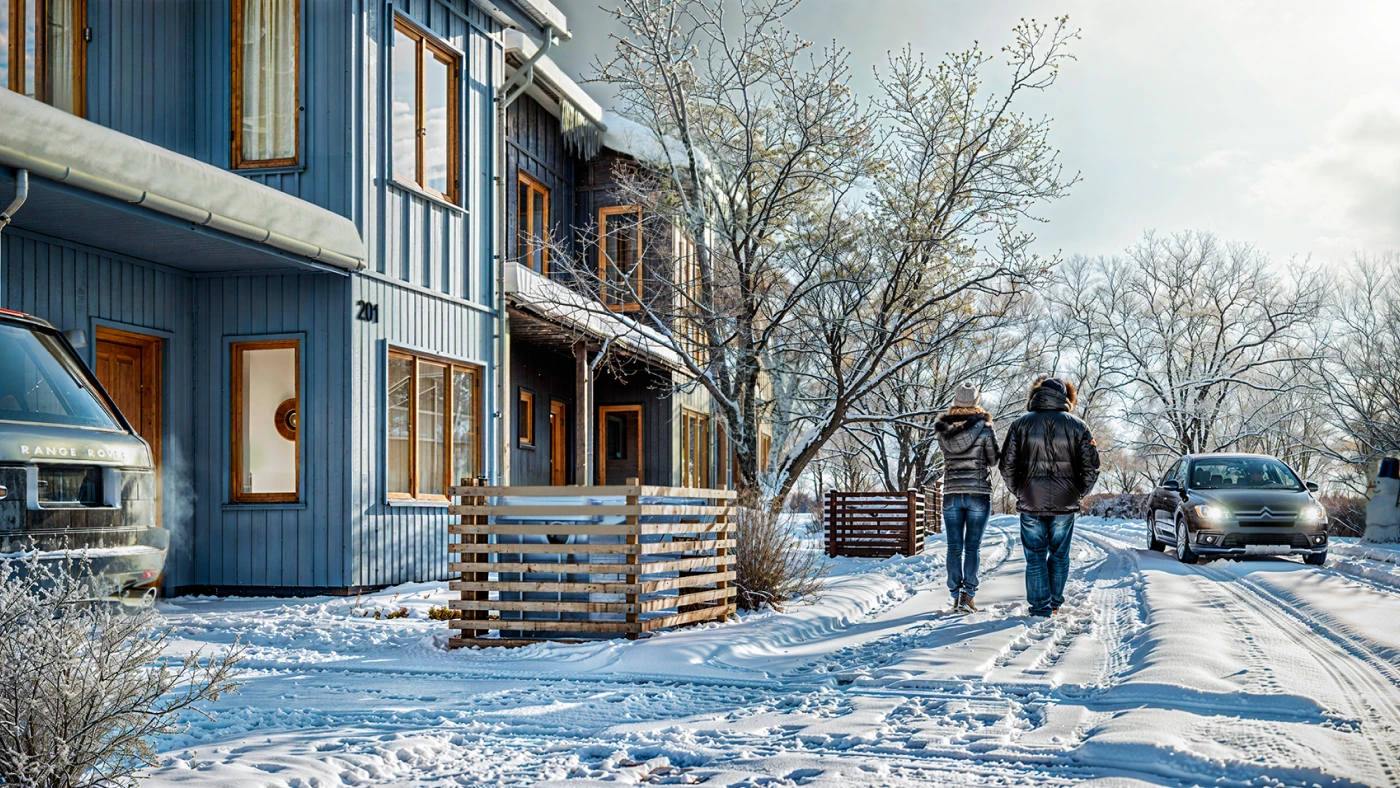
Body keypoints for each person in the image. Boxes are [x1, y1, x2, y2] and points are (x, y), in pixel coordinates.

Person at [998, 378, 1100, 617]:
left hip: (1031, 500)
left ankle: (1040, 607)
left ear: (1037, 395)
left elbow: (1006, 466)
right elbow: (1092, 467)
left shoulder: (1020, 424)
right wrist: (1077, 492)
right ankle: (1054, 604)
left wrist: (1021, 490)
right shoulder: (1078, 426)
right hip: (1065, 502)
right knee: (1060, 555)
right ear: (1066, 398)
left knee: (1034, 557)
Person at [935, 381, 999, 613]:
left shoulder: (943, 429)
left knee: (954, 548)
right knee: (972, 548)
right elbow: (993, 460)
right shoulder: (985, 427)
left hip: (952, 492)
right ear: (976, 402)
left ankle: (955, 595)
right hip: (978, 493)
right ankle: (968, 596)